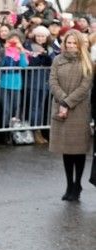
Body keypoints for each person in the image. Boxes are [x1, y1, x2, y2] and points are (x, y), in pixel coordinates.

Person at [48, 29, 93, 201]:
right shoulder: (58, 60)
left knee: (78, 150)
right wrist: (62, 100)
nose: (71, 45)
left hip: (78, 110)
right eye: (69, 42)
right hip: (60, 108)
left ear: (79, 44)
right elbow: (53, 81)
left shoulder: (86, 61)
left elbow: (85, 86)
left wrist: (68, 102)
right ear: (64, 43)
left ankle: (78, 184)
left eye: (74, 43)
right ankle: (69, 184)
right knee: (66, 150)